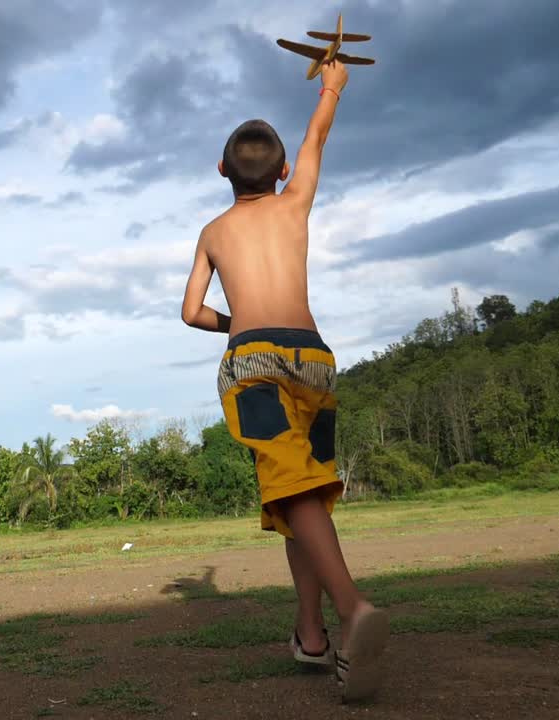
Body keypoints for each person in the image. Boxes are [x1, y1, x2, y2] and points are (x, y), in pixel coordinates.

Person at [179, 59, 388, 703]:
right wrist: (331, 86)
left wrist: (238, 321)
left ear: (221, 172)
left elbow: (191, 313)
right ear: (282, 174)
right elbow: (316, 138)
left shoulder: (213, 231)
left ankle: (352, 609)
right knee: (306, 495)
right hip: (314, 360)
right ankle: (311, 634)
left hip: (256, 362)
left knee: (293, 489)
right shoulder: (297, 201)